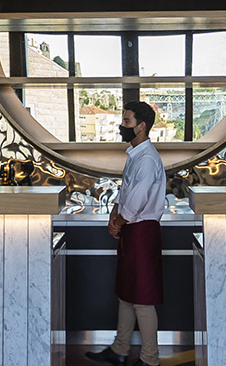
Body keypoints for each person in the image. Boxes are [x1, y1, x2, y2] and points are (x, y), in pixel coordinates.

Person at [87, 101, 166, 366]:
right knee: (126, 295)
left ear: (141, 127)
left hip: (141, 232)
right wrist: (115, 213)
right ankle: (119, 350)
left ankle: (150, 359)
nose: (122, 126)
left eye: (127, 122)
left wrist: (118, 222)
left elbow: (136, 204)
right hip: (132, 231)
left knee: (142, 300)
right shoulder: (135, 155)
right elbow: (126, 195)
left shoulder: (146, 160)